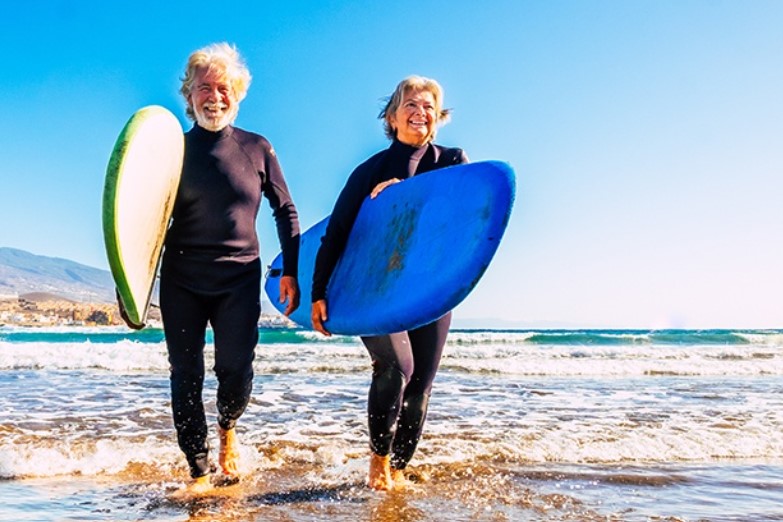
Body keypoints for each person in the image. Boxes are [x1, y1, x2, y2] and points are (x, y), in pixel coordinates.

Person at [311, 76, 468, 491]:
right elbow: (339, 233)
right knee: (397, 366)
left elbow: (462, 222)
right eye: (411, 104)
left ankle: (398, 470)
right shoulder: (370, 172)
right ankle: (379, 464)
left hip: (430, 288)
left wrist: (410, 196)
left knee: (421, 385)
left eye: (429, 106)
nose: (421, 112)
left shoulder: (452, 161)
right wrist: (318, 294)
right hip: (375, 289)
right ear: (393, 116)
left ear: (439, 117)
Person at [160, 42, 300, 495]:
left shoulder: (257, 148)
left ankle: (228, 428)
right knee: (185, 375)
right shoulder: (172, 153)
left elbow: (286, 211)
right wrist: (131, 287)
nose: (214, 97)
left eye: (223, 88)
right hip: (182, 276)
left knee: (236, 370)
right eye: (205, 88)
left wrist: (292, 272)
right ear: (190, 94)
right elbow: (143, 220)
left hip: (239, 277)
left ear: (237, 93)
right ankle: (199, 472)